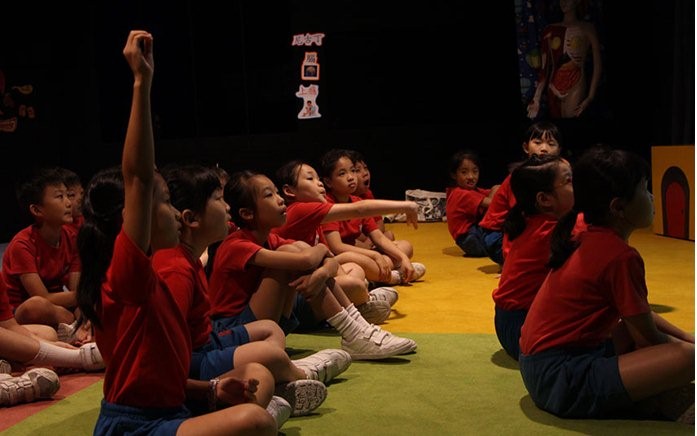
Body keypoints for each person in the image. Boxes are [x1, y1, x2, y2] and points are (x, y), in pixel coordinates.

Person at [76, 30, 278, 434]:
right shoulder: (127, 278)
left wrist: (211, 390)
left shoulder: (148, 276)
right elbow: (137, 177)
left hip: (172, 410)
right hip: (135, 428)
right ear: (135, 217)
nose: (173, 214)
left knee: (254, 406)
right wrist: (141, 81)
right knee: (256, 420)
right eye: (165, 203)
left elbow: (157, 373)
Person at [156, 163, 349, 417]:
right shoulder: (177, 270)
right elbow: (167, 357)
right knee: (267, 366)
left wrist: (323, 266)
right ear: (191, 219)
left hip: (208, 342)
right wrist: (208, 389)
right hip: (197, 358)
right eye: (218, 199)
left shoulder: (189, 260)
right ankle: (301, 373)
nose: (227, 207)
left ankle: (285, 377)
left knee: (271, 331)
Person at [519, 145, 694, 422]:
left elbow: (639, 315)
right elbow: (648, 341)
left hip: (538, 369)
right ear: (618, 207)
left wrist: (687, 336)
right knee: (687, 358)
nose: (651, 197)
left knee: (639, 333)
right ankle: (652, 400)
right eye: (644, 189)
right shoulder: (620, 256)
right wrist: (685, 348)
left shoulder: (588, 236)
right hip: (561, 380)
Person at [207, 170, 417, 360]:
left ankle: (359, 328)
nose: (279, 200)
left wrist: (322, 272)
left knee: (301, 250)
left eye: (276, 193)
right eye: (269, 195)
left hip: (276, 316)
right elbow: (310, 257)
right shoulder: (236, 244)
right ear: (247, 213)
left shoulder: (270, 238)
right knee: (296, 253)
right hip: (232, 329)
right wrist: (321, 256)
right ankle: (356, 328)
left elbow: (328, 259)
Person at [274, 159, 420, 324]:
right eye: (310, 179)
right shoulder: (299, 210)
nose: (319, 183)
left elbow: (330, 257)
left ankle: (362, 300)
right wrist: (406, 206)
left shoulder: (315, 215)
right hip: (295, 298)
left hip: (312, 283)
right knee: (353, 282)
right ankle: (367, 299)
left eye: (318, 179)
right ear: (289, 191)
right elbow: (360, 210)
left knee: (355, 269)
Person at [491, 154, 576, 360]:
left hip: (511, 323)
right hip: (521, 328)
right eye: (569, 180)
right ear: (544, 199)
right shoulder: (551, 230)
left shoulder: (530, 220)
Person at [318, 148, 426, 285]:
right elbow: (337, 247)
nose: (351, 177)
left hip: (361, 253)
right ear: (328, 182)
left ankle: (376, 275)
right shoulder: (328, 205)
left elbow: (378, 237)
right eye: (342, 173)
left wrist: (403, 257)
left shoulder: (357, 200)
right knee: (359, 261)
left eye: (353, 170)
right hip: (342, 258)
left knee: (405, 246)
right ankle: (393, 277)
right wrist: (374, 255)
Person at [2, 166, 82, 336]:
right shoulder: (22, 244)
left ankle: (79, 329)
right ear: (37, 210)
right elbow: (42, 297)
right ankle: (72, 327)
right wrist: (88, 295)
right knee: (37, 306)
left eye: (67, 195)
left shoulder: (72, 237)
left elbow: (75, 289)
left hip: (58, 305)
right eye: (59, 197)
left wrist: (84, 307)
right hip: (18, 313)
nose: (69, 203)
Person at [478, 121, 562, 265]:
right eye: (537, 142)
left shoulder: (555, 174)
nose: (544, 148)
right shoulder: (520, 177)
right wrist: (512, 261)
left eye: (551, 144)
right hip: (497, 236)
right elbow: (517, 220)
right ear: (525, 147)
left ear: (559, 150)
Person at [527, 0, 602, 119]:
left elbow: (598, 65)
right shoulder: (549, 30)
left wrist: (590, 97)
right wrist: (536, 99)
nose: (563, 2)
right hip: (553, 87)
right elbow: (544, 68)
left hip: (576, 84)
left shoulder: (587, 28)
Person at [445, 149, 500, 257]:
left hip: (471, 238)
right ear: (454, 175)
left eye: (475, 171)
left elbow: (497, 191)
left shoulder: (471, 191)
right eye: (464, 172)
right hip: (471, 240)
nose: (471, 176)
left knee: (497, 189)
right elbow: (493, 203)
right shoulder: (461, 193)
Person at [350, 150, 395, 244]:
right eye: (357, 170)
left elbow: (379, 224)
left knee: (389, 235)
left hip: (369, 238)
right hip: (352, 241)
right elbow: (349, 234)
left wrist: (370, 241)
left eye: (365, 168)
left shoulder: (367, 194)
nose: (365, 173)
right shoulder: (343, 199)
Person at [58, 167, 85, 232]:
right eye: (71, 195)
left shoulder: (83, 220)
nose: (80, 199)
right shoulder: (61, 229)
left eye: (81, 193)